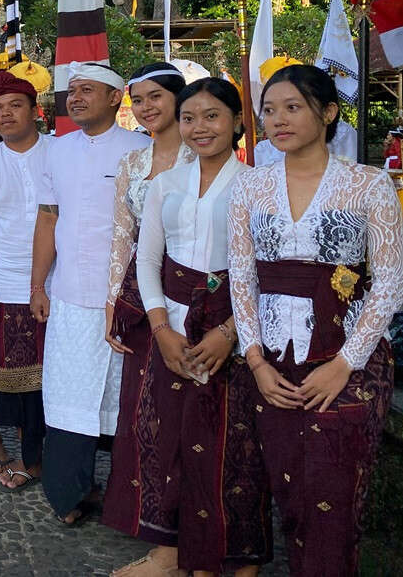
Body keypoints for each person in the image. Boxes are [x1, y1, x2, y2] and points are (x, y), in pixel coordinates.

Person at [229, 65, 402, 575]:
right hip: (271, 361)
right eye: (268, 110)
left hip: (345, 356)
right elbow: (242, 276)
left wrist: (345, 364)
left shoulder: (369, 185)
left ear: (327, 113)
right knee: (283, 483)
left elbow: (390, 282)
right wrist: (256, 361)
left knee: (334, 489)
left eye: (292, 107)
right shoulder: (251, 186)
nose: (277, 119)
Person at [133, 78, 272, 576]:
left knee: (235, 448)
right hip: (172, 326)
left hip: (234, 330)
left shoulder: (258, 186)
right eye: (189, 117)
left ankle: (239, 560)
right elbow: (147, 259)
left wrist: (230, 332)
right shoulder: (165, 183)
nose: (199, 127)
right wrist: (160, 327)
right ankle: (183, 554)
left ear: (237, 121)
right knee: (169, 438)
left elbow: (266, 271)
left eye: (212, 116)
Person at [33, 62, 150, 526]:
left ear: (116, 98)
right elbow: (47, 219)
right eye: (72, 91)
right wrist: (37, 283)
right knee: (68, 395)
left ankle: (128, 500)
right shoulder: (56, 151)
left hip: (128, 298)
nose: (76, 98)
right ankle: (69, 493)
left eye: (87, 90)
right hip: (68, 295)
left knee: (127, 402)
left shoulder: (142, 149)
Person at [101, 64, 192, 570]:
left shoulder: (206, 155)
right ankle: (152, 522)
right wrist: (115, 301)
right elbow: (122, 234)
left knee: (186, 414)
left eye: (155, 97)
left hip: (195, 292)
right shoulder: (134, 162)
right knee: (142, 411)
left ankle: (184, 533)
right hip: (141, 294)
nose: (146, 108)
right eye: (137, 100)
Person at [0, 70, 51, 491]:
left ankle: (53, 460)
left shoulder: (59, 154)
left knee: (57, 376)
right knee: (17, 381)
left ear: (35, 111)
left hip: (62, 283)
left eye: (14, 106)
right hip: (8, 284)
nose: (5, 115)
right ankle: (30, 456)